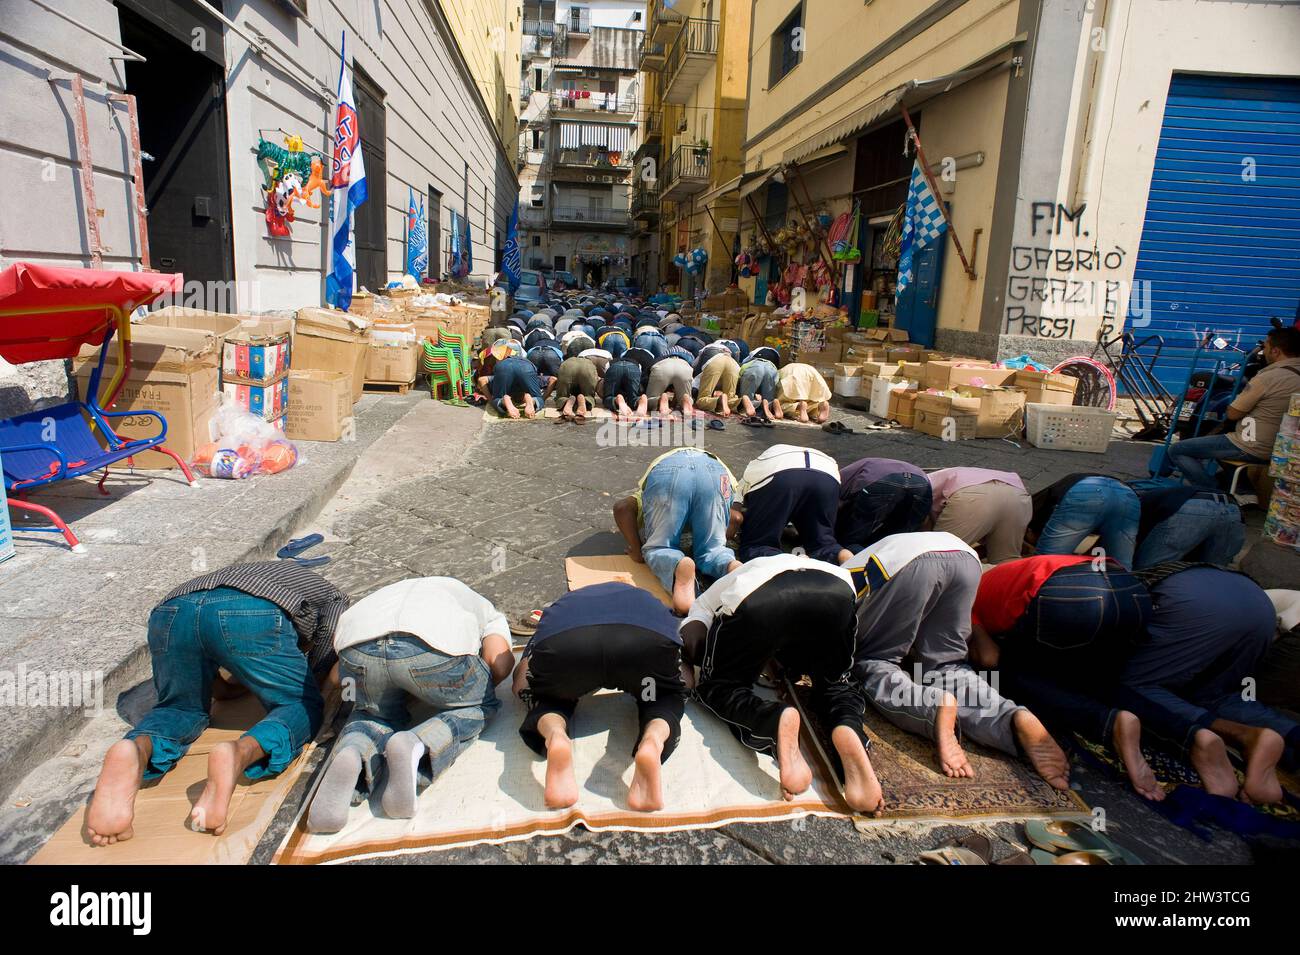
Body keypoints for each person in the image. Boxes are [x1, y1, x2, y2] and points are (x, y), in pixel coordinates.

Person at [86, 562, 348, 846]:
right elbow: (328, 646)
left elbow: (218, 679)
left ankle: (137, 748)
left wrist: (230, 686)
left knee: (178, 708)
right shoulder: (333, 596)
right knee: (301, 704)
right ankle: (239, 753)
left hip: (171, 612)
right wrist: (314, 683)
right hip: (250, 612)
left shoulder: (264, 574)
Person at [849, 532, 1070, 790]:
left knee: (874, 661)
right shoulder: (871, 551)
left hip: (908, 565)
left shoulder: (838, 574)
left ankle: (932, 708)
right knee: (947, 666)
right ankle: (1011, 717)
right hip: (963, 557)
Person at [306, 578, 514, 832]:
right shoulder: (487, 612)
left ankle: (353, 752)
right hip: (428, 649)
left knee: (370, 714)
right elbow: (499, 664)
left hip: (357, 649)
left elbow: (338, 677)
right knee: (481, 704)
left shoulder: (383, 596)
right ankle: (418, 744)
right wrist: (463, 690)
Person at [683, 554, 884, 813]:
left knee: (720, 688)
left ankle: (772, 721)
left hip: (760, 601)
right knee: (836, 684)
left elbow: (692, 637)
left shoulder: (713, 596)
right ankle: (848, 729)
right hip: (836, 591)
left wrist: (701, 660)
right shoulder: (799, 562)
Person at [967, 555, 1161, 800]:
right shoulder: (1010, 570)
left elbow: (988, 659)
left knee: (1008, 675)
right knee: (1091, 682)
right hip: (1129, 589)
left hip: (1069, 596)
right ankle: (1195, 734)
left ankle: (1107, 725)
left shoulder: (967, 595)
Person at [1120, 562, 1297, 803]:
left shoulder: (1120, 592)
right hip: (1260, 609)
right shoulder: (1173, 570)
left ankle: (1240, 735)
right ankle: (1292, 736)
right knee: (1217, 693)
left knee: (1134, 685)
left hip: (1197, 608)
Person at [513, 582, 687, 811]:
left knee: (551, 696)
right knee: (660, 695)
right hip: (644, 647)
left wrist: (531, 686)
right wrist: (674, 684)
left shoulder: (561, 608)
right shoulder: (649, 601)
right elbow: (685, 674)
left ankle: (555, 735)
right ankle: (652, 741)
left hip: (569, 648)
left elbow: (520, 680)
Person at [612, 447, 742, 613]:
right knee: (714, 549)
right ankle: (731, 565)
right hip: (716, 472)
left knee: (661, 546)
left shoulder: (642, 496)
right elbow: (736, 518)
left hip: (667, 471)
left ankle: (677, 564)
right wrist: (717, 540)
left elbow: (622, 508)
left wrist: (637, 551)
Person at [1167, 326, 1300, 488]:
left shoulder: (1268, 377)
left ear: (1276, 351)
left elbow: (1233, 413)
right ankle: (1241, 490)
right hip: (1285, 448)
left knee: (1177, 450)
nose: (1263, 351)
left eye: (1266, 347)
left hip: (1252, 445)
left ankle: (1212, 492)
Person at [734, 444, 851, 565]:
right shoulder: (763, 463)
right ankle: (842, 555)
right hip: (827, 474)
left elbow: (734, 512)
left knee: (758, 544)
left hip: (780, 473)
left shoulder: (750, 473)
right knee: (823, 543)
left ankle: (790, 563)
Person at [1026, 473, 1140, 567]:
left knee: (1046, 563)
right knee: (1118, 566)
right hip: (1128, 495)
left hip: (1087, 490)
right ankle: (1120, 592)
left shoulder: (1035, 510)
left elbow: (1044, 547)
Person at [928, 467, 1032, 564]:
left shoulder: (922, 479)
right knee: (1007, 559)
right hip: (1017, 494)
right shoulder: (951, 472)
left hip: (972, 495)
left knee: (937, 557)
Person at [1131, 481, 1245, 568]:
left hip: (1193, 507)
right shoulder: (1156, 498)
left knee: (1149, 572)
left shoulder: (1136, 506)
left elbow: (1129, 541)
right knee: (1212, 574)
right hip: (1233, 509)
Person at [836, 457, 932, 552]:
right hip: (922, 484)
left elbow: (832, 501)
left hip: (881, 481)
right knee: (896, 542)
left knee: (852, 540)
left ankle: (858, 560)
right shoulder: (868, 463)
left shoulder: (836, 477)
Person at [737, 347, 783, 420]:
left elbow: (742, 368)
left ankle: (748, 405)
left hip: (754, 365)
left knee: (747, 394)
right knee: (768, 397)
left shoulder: (754, 354)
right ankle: (769, 405)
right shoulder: (776, 355)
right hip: (772, 368)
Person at [549, 355, 599, 422]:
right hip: (587, 368)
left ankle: (567, 401)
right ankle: (585, 399)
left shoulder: (567, 360)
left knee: (562, 396)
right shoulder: (589, 361)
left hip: (567, 366)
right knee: (589, 395)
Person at [695, 351, 741, 416]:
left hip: (716, 361)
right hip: (733, 364)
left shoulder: (709, 350)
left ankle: (719, 400)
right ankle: (741, 401)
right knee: (730, 398)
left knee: (702, 399)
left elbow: (696, 367)